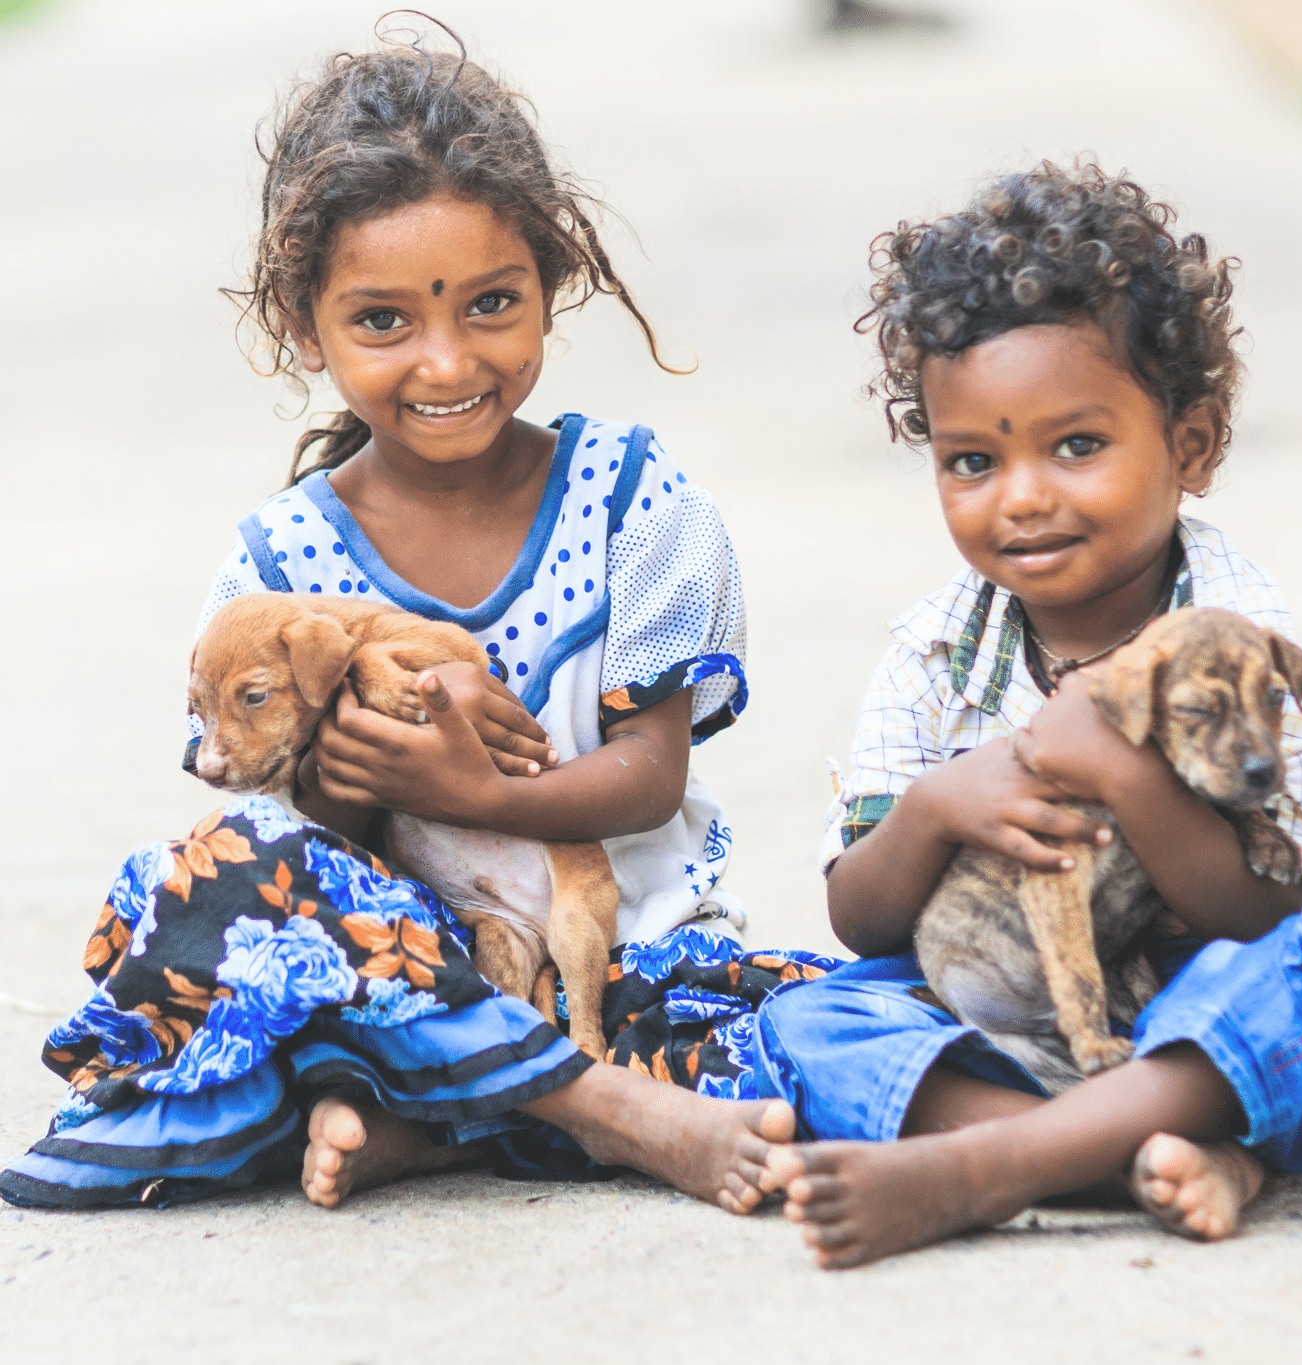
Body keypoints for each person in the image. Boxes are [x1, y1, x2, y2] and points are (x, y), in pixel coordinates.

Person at [0, 30, 798, 1215]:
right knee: (200, 886)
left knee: (819, 1037)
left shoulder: (635, 498)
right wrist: (371, 755)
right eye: (383, 322)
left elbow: (648, 777)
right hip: (403, 975)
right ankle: (585, 1110)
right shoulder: (277, 568)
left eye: (490, 305)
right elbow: (309, 825)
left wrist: (484, 791)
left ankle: (452, 1113)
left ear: (550, 283)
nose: (445, 360)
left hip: (624, 957)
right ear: (304, 322)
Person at [756, 161, 1302, 1268]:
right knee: (811, 1020)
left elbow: (1267, 918)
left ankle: (992, 1166)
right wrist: (939, 808)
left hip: (1200, 1007)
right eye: (973, 462)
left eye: (1076, 445)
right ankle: (1171, 1153)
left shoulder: (1247, 646)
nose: (1023, 495)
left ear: (1190, 443)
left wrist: (1124, 773)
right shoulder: (934, 650)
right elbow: (861, 916)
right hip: (1019, 1021)